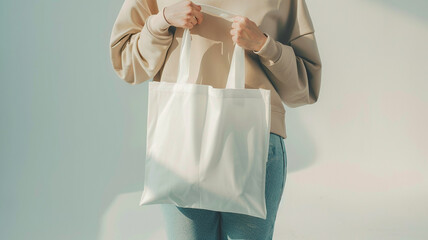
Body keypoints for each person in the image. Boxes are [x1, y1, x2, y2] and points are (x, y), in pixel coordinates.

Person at [109, 0, 322, 239]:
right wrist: (162, 21)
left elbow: (305, 88)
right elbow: (126, 64)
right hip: (182, 143)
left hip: (255, 145)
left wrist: (264, 45)